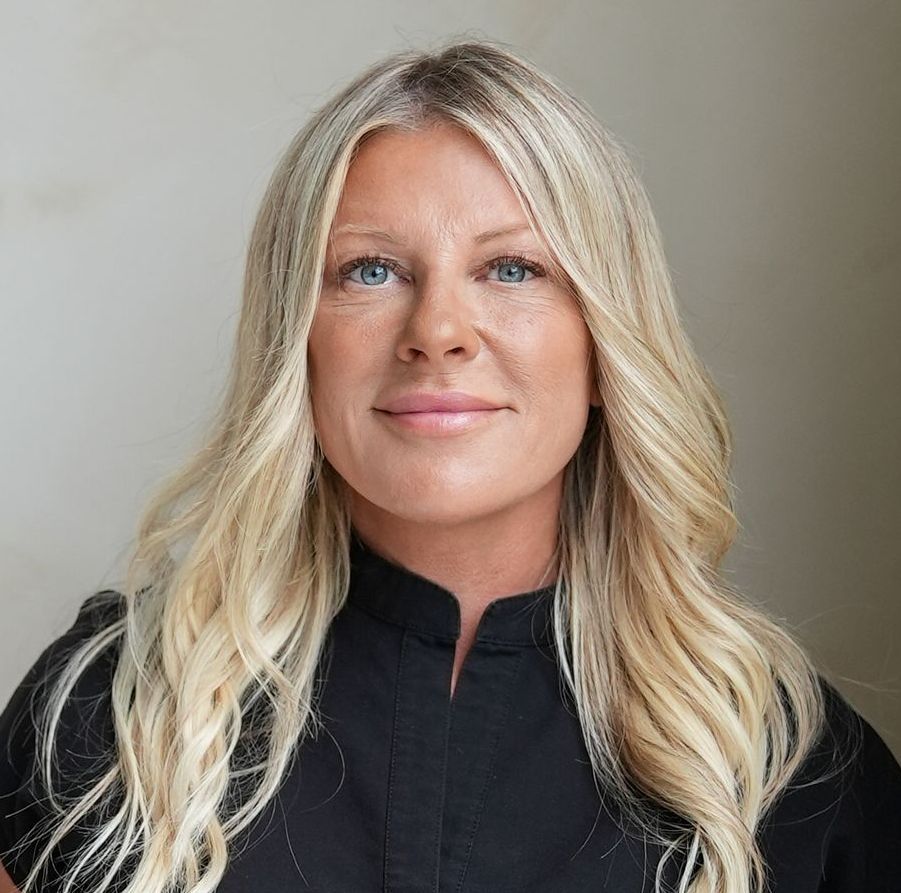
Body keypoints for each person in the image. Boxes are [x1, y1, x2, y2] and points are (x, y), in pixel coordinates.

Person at [1, 37, 899, 893]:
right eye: (370, 271)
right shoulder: (108, 709)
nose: (436, 331)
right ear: (296, 344)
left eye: (511, 268)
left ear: (603, 348)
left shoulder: (787, 766)